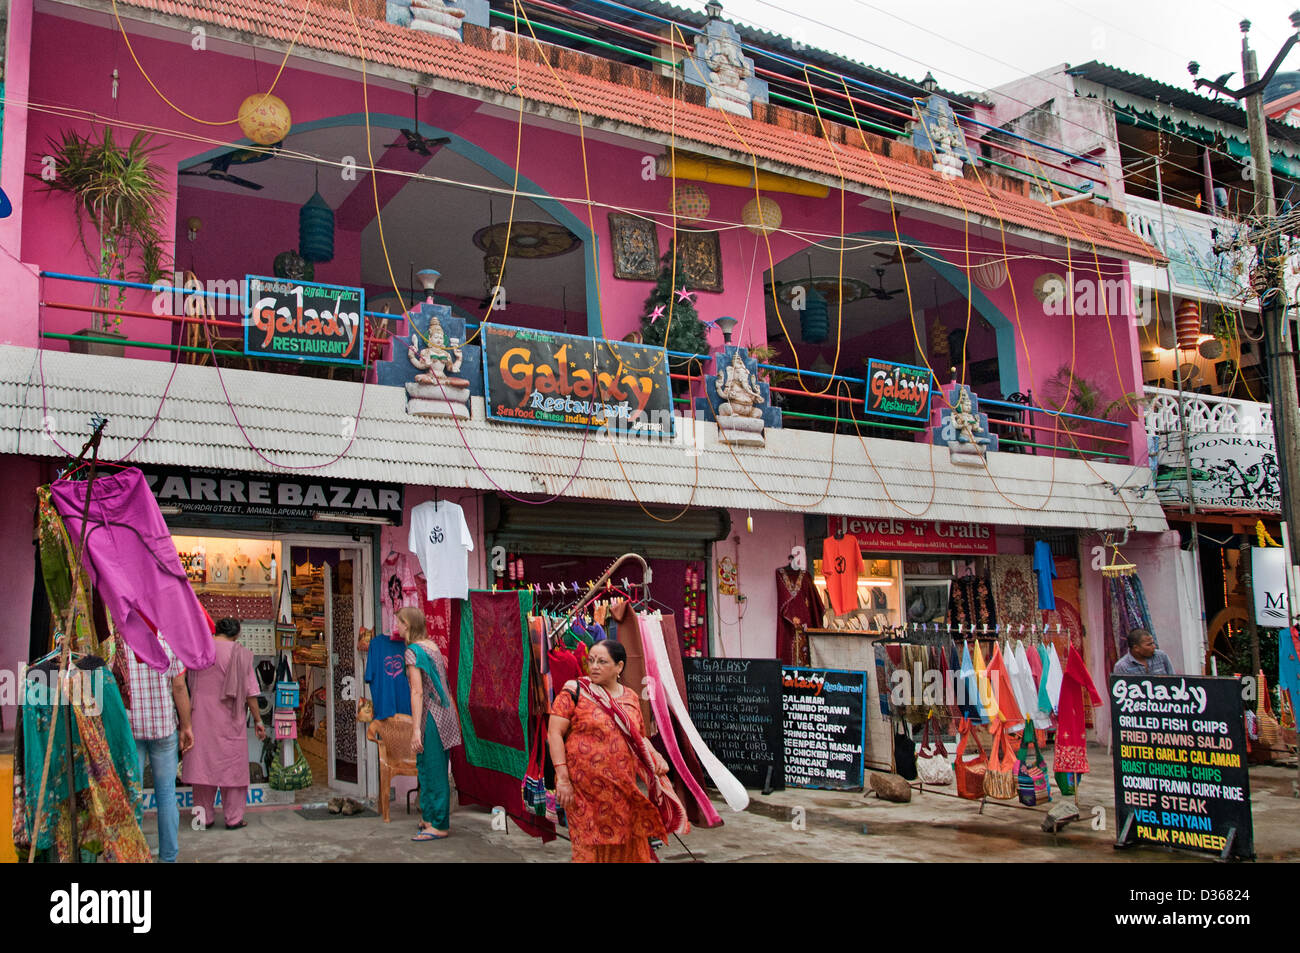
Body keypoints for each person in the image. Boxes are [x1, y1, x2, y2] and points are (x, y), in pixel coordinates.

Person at [548, 640, 683, 863]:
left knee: (625, 845)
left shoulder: (630, 697)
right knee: (587, 846)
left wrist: (656, 756)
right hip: (583, 791)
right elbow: (554, 733)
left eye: (602, 662)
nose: (594, 667)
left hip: (621, 790)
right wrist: (562, 779)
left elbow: (639, 738)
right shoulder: (575, 691)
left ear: (619, 667)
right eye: (591, 661)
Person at [182, 618, 266, 830]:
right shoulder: (240, 654)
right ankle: (234, 819)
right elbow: (251, 694)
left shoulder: (200, 649)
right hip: (231, 718)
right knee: (233, 771)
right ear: (237, 634)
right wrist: (258, 720)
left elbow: (186, 683)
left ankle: (202, 819)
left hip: (200, 716)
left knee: (202, 770)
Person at [125, 639, 194, 863]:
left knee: (131, 796)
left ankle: (131, 856)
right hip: (163, 726)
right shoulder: (168, 638)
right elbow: (179, 686)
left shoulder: (121, 639)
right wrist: (186, 726)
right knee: (166, 795)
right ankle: (168, 858)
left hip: (130, 727)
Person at [402, 606, 462, 841]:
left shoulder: (412, 651)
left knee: (433, 769)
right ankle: (429, 818)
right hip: (445, 713)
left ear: (407, 625)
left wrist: (416, 729)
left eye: (400, 622)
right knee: (428, 766)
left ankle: (438, 824)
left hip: (432, 716)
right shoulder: (432, 646)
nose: (397, 627)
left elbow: (417, 692)